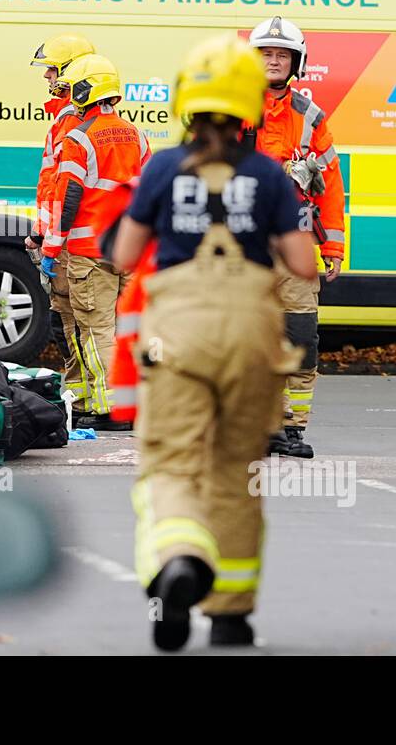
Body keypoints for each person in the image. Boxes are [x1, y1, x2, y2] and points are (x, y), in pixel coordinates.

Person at [111, 34, 316, 651]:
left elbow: (124, 255)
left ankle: (177, 559)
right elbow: (302, 264)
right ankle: (231, 614)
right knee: (235, 474)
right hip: (252, 339)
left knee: (172, 463)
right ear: (249, 101)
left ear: (186, 101)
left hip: (178, 338)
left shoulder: (164, 168)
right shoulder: (269, 174)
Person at [247, 15, 346, 458]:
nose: (273, 61)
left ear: (296, 62)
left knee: (300, 336)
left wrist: (334, 247)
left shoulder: (310, 118)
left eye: (281, 54)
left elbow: (331, 186)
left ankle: (291, 428)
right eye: (265, 54)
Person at [41, 53, 149, 430]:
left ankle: (113, 408)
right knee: (126, 329)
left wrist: (52, 248)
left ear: (86, 91)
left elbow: (67, 197)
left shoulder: (79, 137)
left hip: (90, 251)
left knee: (97, 328)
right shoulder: (137, 134)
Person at [25, 32, 96, 413]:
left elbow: (64, 189)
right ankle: (82, 396)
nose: (47, 78)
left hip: (71, 241)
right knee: (70, 320)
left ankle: (86, 397)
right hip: (64, 237)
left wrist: (48, 238)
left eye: (51, 70)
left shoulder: (72, 121)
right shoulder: (68, 118)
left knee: (73, 321)